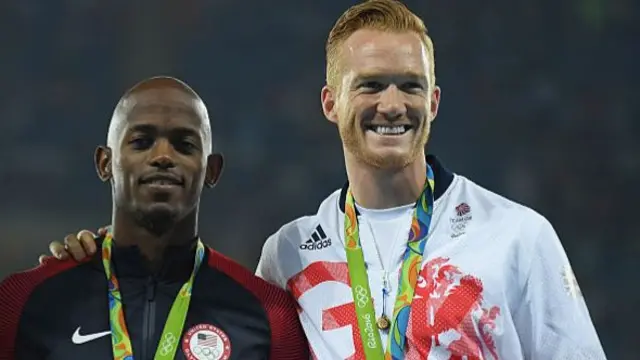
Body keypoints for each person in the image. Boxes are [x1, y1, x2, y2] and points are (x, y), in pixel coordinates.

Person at [39, 1, 607, 359]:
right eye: (370, 85)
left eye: (410, 86)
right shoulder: (287, 254)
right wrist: (101, 262)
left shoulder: (518, 236)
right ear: (330, 102)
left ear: (434, 101)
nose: (392, 104)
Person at [0, 76, 308, 360]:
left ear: (212, 170)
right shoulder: (24, 301)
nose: (163, 156)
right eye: (141, 141)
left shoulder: (269, 316)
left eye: (184, 144)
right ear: (105, 163)